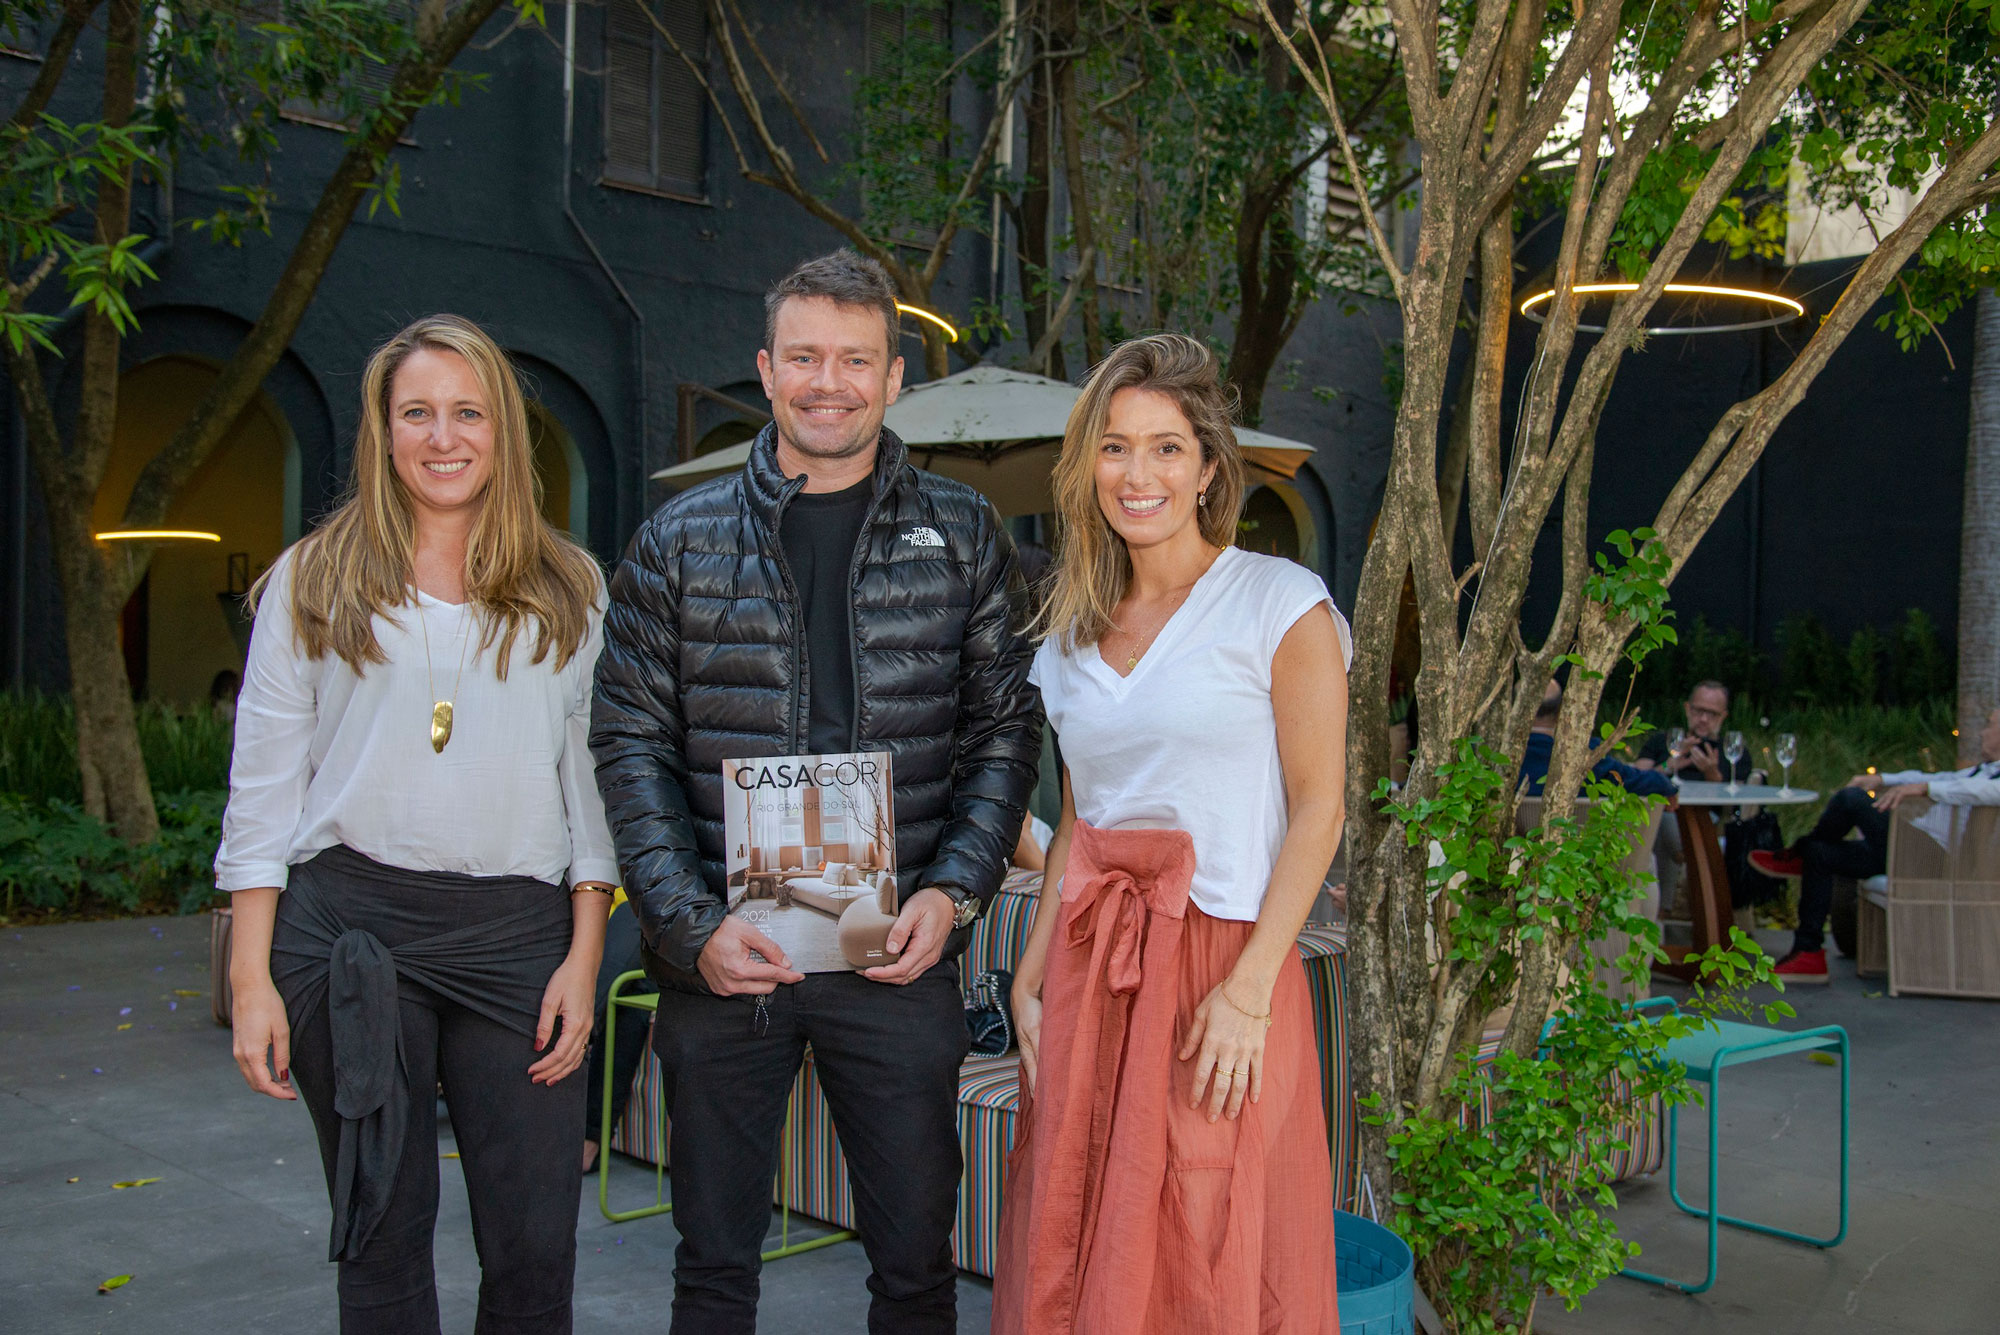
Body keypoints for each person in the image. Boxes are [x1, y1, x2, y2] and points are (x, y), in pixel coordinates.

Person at [590, 249, 1040, 1334]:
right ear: (765, 368)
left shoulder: (962, 534)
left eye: (854, 358)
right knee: (711, 1263)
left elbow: (1001, 733)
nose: (826, 381)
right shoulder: (677, 542)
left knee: (914, 1265)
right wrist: (689, 926)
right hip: (725, 960)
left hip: (894, 957)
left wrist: (957, 894)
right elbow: (628, 744)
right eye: (803, 357)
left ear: (892, 379)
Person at [217, 315, 618, 1333]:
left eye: (467, 412)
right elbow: (261, 790)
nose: (443, 438)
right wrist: (250, 977)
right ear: (381, 431)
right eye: (416, 414)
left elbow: (589, 792)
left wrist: (585, 955)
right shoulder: (314, 579)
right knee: (382, 1241)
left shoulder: (570, 589)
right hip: (352, 937)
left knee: (535, 1249)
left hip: (520, 943)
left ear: (503, 432)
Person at [992, 334, 1349, 1334]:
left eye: (1162, 448)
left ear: (1205, 470)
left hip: (1221, 961)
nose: (1135, 473)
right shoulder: (1065, 635)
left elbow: (1319, 808)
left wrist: (1247, 992)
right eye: (1112, 447)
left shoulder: (1277, 603)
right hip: (1092, 961)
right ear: (1084, 466)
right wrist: (1028, 969)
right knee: (1077, 1215)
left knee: (1208, 1231)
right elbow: (1079, 821)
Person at [1749, 706, 2000, 982]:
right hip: (1906, 853)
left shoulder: (1992, 781)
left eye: (1989, 725)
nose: (1982, 733)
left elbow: (1983, 792)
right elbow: (1937, 778)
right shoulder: (1983, 770)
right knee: (1819, 854)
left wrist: (1926, 790)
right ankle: (1808, 954)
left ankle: (1797, 852)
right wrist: (1883, 779)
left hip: (1935, 861)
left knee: (1852, 799)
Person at [1631, 681, 1749, 914]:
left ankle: (1660, 912)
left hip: (1708, 824)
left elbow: (1736, 799)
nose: (1703, 719)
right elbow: (1636, 779)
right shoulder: (1663, 742)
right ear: (1687, 709)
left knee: (1658, 823)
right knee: (1661, 818)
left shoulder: (1731, 751)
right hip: (1664, 819)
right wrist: (1669, 763)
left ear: (1723, 716)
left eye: (1712, 714)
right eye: (1698, 711)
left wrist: (1712, 774)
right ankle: (1682, 869)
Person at [1520, 681, 1678, 799]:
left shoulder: (1501, 754)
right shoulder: (1586, 754)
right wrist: (1668, 787)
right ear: (1562, 710)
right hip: (1575, 842)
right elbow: (1647, 782)